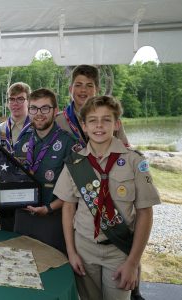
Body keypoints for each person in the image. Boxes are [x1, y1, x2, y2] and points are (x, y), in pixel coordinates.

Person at [54, 95, 160, 300]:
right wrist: (72, 252)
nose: (99, 125)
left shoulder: (134, 162)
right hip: (84, 249)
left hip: (120, 250)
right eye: (92, 120)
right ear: (84, 126)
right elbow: (68, 208)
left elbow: (145, 213)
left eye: (106, 119)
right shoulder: (75, 164)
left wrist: (133, 262)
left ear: (117, 124)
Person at [13, 88, 77, 254]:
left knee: (52, 270)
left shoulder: (69, 143)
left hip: (53, 220)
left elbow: (76, 190)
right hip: (23, 218)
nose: (39, 113)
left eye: (45, 108)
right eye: (34, 108)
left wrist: (49, 208)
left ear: (55, 111)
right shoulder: (23, 140)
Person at [56, 64, 130, 148]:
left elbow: (125, 151)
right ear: (70, 89)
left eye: (89, 85)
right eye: (78, 85)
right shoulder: (58, 121)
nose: (83, 90)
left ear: (97, 90)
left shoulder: (111, 119)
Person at [0, 82, 31, 231]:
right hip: (5, 190)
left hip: (28, 189)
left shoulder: (36, 128)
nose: (15, 103)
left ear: (28, 101)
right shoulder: (0, 129)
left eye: (20, 99)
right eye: (12, 99)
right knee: (6, 233)